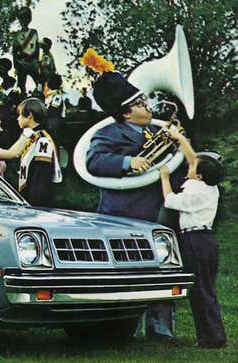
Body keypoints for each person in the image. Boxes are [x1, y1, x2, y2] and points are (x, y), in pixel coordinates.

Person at [84, 50, 184, 340]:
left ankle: (161, 331)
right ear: (127, 112)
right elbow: (94, 161)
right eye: (141, 102)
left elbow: (169, 165)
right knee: (129, 275)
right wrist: (128, 162)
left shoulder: (152, 133)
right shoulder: (109, 134)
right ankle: (120, 329)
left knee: (164, 273)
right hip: (124, 214)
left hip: (157, 212)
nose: (148, 105)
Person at [159, 130, 227, 349]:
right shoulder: (207, 184)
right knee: (207, 288)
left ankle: (210, 338)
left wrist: (164, 177)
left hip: (195, 240)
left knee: (199, 290)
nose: (189, 166)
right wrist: (180, 140)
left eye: (191, 167)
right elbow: (192, 159)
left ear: (198, 175)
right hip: (207, 239)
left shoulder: (194, 194)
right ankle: (214, 335)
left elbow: (169, 200)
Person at [16, 98, 62, 206]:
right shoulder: (32, 136)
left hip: (37, 202)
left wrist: (34, 202)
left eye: (20, 115)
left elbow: (41, 174)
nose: (18, 118)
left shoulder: (42, 140)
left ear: (30, 116)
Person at [11, 7, 40, 94]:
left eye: (26, 18)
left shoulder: (34, 32)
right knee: (21, 86)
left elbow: (37, 48)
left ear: (29, 19)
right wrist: (16, 64)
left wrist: (37, 62)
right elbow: (14, 51)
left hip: (33, 62)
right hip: (22, 62)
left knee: (39, 83)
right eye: (22, 18)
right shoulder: (17, 35)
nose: (23, 21)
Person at [44, 73, 65, 146]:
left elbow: (53, 110)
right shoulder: (49, 95)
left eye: (48, 80)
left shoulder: (57, 96)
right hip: (48, 122)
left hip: (53, 123)